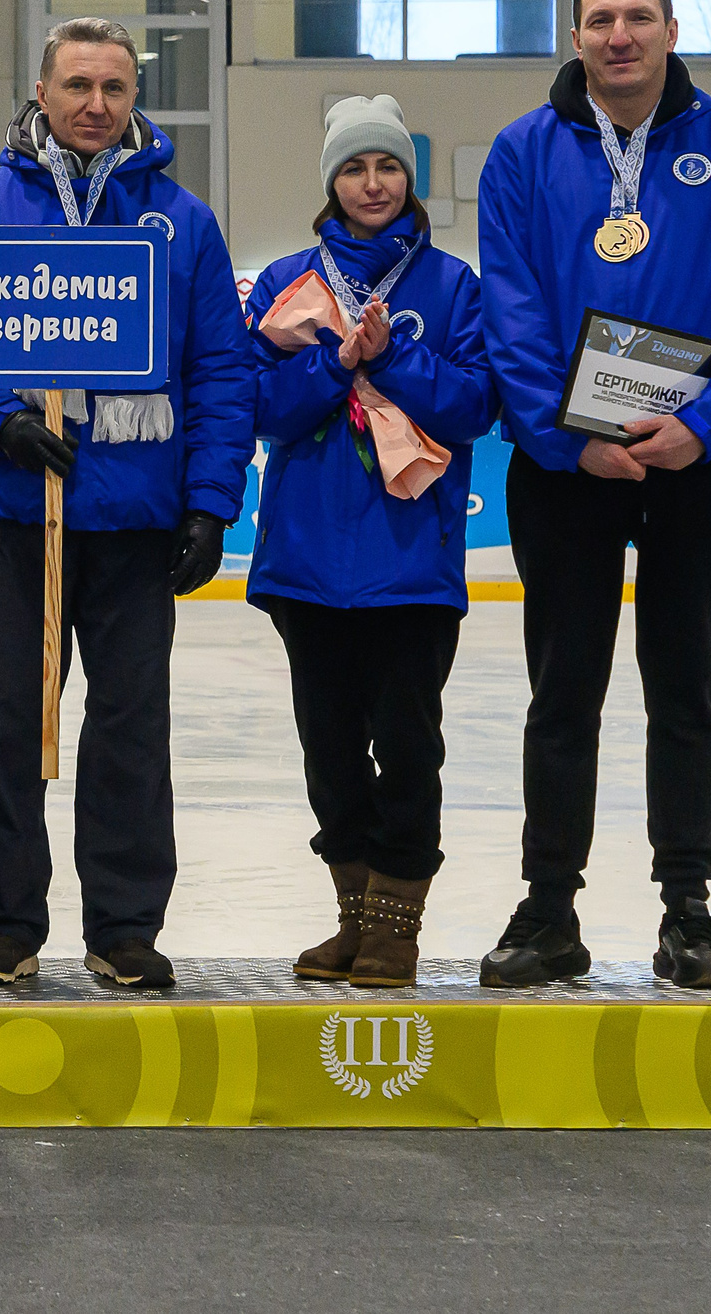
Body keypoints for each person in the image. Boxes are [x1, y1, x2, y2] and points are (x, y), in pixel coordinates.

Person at [0, 16, 252, 992]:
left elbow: (220, 370)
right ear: (42, 93)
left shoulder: (181, 221)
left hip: (137, 522)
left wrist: (209, 503)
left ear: (134, 95)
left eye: (113, 87)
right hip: (20, 515)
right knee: (11, 723)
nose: (95, 105)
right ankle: (10, 923)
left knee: (130, 729)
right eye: (77, 86)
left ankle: (125, 926)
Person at [475, 0, 711, 990]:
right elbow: (511, 311)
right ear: (574, 37)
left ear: (669, 30)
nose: (620, 35)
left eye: (638, 17)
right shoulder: (521, 152)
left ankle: (687, 908)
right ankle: (547, 907)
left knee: (687, 692)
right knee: (562, 693)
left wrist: (704, 428)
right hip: (568, 465)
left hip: (697, 464)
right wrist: (567, 440)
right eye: (600, 19)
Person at [245, 96, 493, 988]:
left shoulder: (452, 285)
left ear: (408, 178)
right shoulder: (285, 283)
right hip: (306, 560)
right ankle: (355, 917)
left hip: (411, 563)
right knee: (330, 751)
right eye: (354, 167)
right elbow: (259, 408)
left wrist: (392, 358)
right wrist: (335, 361)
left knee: (409, 746)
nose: (373, 183)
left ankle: (396, 924)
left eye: (387, 166)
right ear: (331, 182)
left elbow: (474, 406)